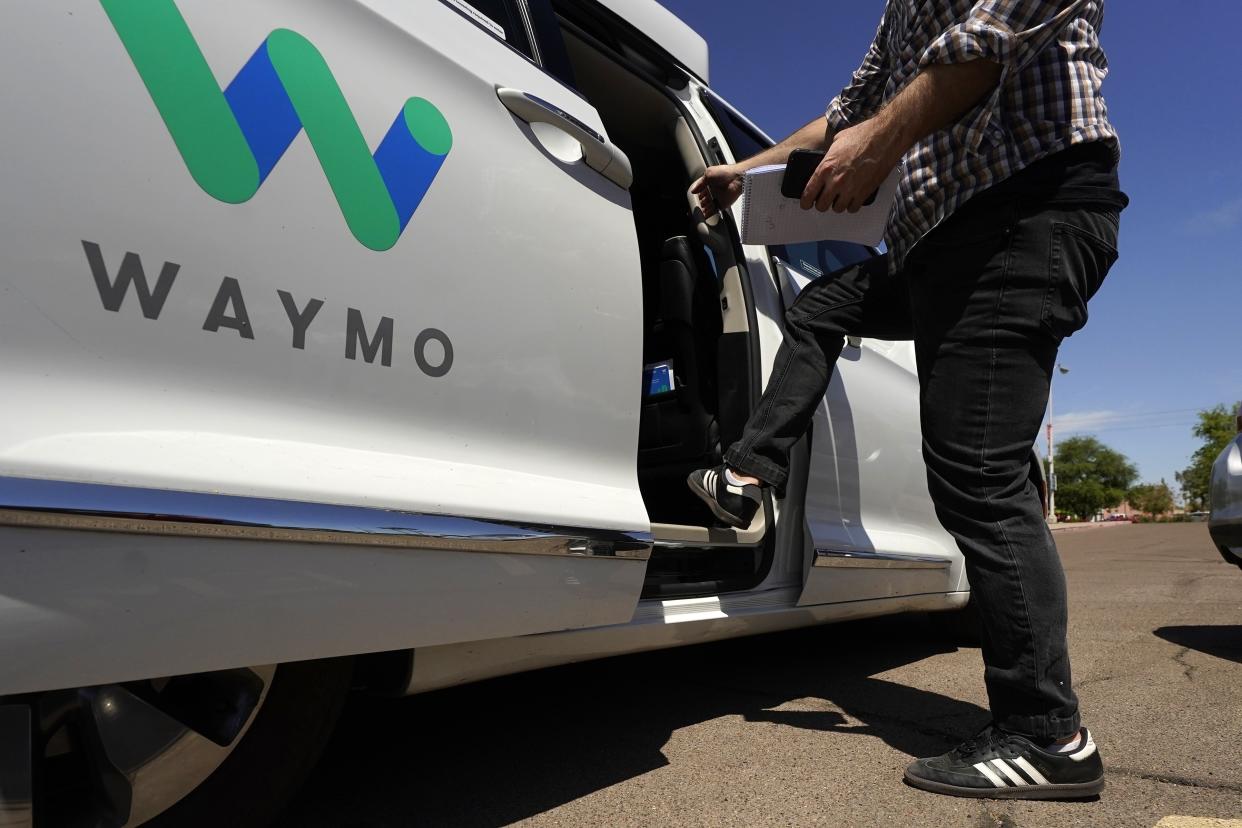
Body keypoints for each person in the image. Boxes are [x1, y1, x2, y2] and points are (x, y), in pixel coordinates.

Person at [686, 0, 1127, 800]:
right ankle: (753, 471)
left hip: (1021, 210)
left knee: (978, 473)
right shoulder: (899, 13)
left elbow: (992, 36)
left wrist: (881, 140)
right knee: (825, 303)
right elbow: (846, 113)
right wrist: (746, 173)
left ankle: (1048, 732)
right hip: (939, 244)